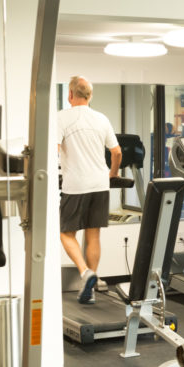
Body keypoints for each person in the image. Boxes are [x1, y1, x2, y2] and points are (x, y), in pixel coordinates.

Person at [58, 76, 122, 304]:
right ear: (90, 96)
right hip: (100, 184)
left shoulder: (62, 117)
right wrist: (112, 174)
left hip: (76, 185)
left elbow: (54, 149)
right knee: (93, 234)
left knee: (65, 233)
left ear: (70, 95)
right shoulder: (101, 118)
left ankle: (86, 273)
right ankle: (91, 290)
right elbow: (117, 153)